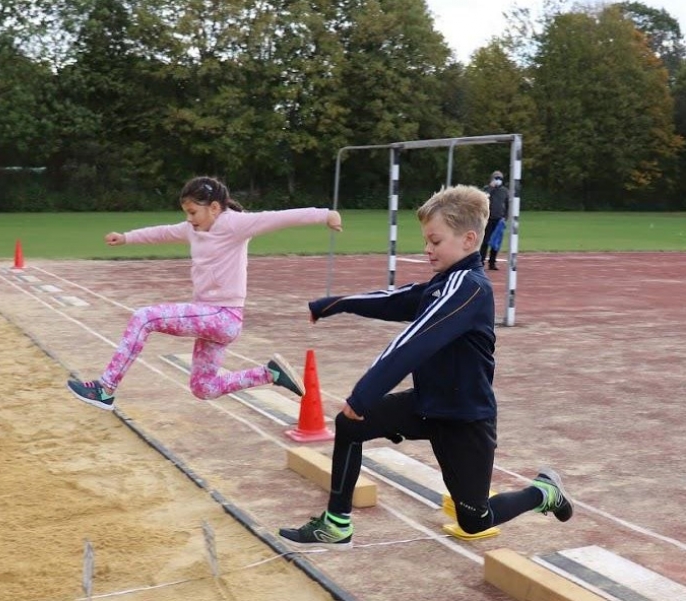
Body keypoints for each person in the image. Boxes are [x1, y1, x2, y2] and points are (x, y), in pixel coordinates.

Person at [278, 185, 571, 549]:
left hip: (465, 419)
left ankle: (544, 492)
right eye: (426, 241)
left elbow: (415, 341)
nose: (427, 249)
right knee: (349, 424)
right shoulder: (443, 284)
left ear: (468, 240)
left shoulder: (470, 288)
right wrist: (333, 303)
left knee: (475, 519)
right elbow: (395, 299)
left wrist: (365, 393)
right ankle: (337, 524)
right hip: (426, 404)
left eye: (435, 241)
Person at [67, 175, 343, 411]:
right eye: (186, 213)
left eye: (193, 213)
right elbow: (163, 233)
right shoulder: (193, 229)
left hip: (222, 315)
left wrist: (325, 215)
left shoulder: (235, 224)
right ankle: (269, 373)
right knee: (203, 388)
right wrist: (127, 237)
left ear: (214, 208)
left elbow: (280, 218)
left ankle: (105, 388)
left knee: (144, 318)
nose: (189, 219)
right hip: (212, 318)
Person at [479, 170, 509, 270]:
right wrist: (491, 187)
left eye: (500, 179)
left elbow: (508, 204)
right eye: (496, 178)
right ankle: (481, 262)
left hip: (499, 220)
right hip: (488, 219)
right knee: (485, 241)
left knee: (496, 242)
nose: (498, 180)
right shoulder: (487, 189)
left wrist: (505, 217)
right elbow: (483, 198)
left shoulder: (505, 191)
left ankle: (492, 262)